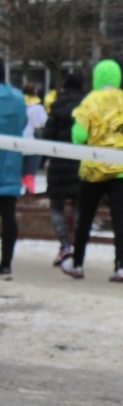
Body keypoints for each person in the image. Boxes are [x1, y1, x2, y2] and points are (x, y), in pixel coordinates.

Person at [60, 58, 123, 282]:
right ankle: (120, 267)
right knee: (120, 219)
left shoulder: (90, 101)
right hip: (122, 169)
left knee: (85, 218)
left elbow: (78, 136)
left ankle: (77, 264)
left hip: (93, 169)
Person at [40, 70, 86, 266]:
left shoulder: (56, 107)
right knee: (79, 207)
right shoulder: (87, 107)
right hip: (80, 165)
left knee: (56, 207)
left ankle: (64, 245)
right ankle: (79, 246)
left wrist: (42, 161)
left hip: (58, 166)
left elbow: (47, 138)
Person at [0, 78, 27, 280]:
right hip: (10, 164)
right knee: (8, 215)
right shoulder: (18, 97)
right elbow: (23, 123)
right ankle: (6, 264)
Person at [20, 82, 48, 194]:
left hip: (18, 143)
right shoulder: (38, 108)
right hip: (34, 143)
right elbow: (44, 122)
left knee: (20, 171)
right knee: (31, 172)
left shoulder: (19, 105)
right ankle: (29, 193)